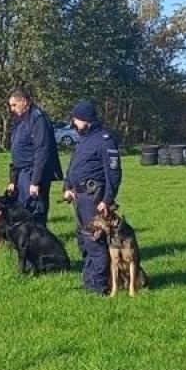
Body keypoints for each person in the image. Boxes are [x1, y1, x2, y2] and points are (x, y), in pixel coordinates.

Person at [61, 101, 121, 294]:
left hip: (94, 198)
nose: (74, 125)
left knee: (94, 242)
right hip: (79, 197)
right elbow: (73, 167)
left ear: (86, 120)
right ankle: (89, 281)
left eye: (76, 120)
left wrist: (108, 200)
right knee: (83, 241)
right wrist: (67, 186)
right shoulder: (84, 140)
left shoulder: (104, 140)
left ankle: (98, 286)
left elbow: (113, 173)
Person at [6, 88, 62, 227]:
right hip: (22, 172)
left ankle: (39, 245)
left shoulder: (38, 119)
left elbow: (42, 151)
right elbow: (17, 151)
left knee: (35, 211)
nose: (12, 109)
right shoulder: (21, 120)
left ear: (24, 102)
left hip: (32, 172)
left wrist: (35, 181)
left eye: (14, 105)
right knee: (23, 210)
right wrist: (13, 178)